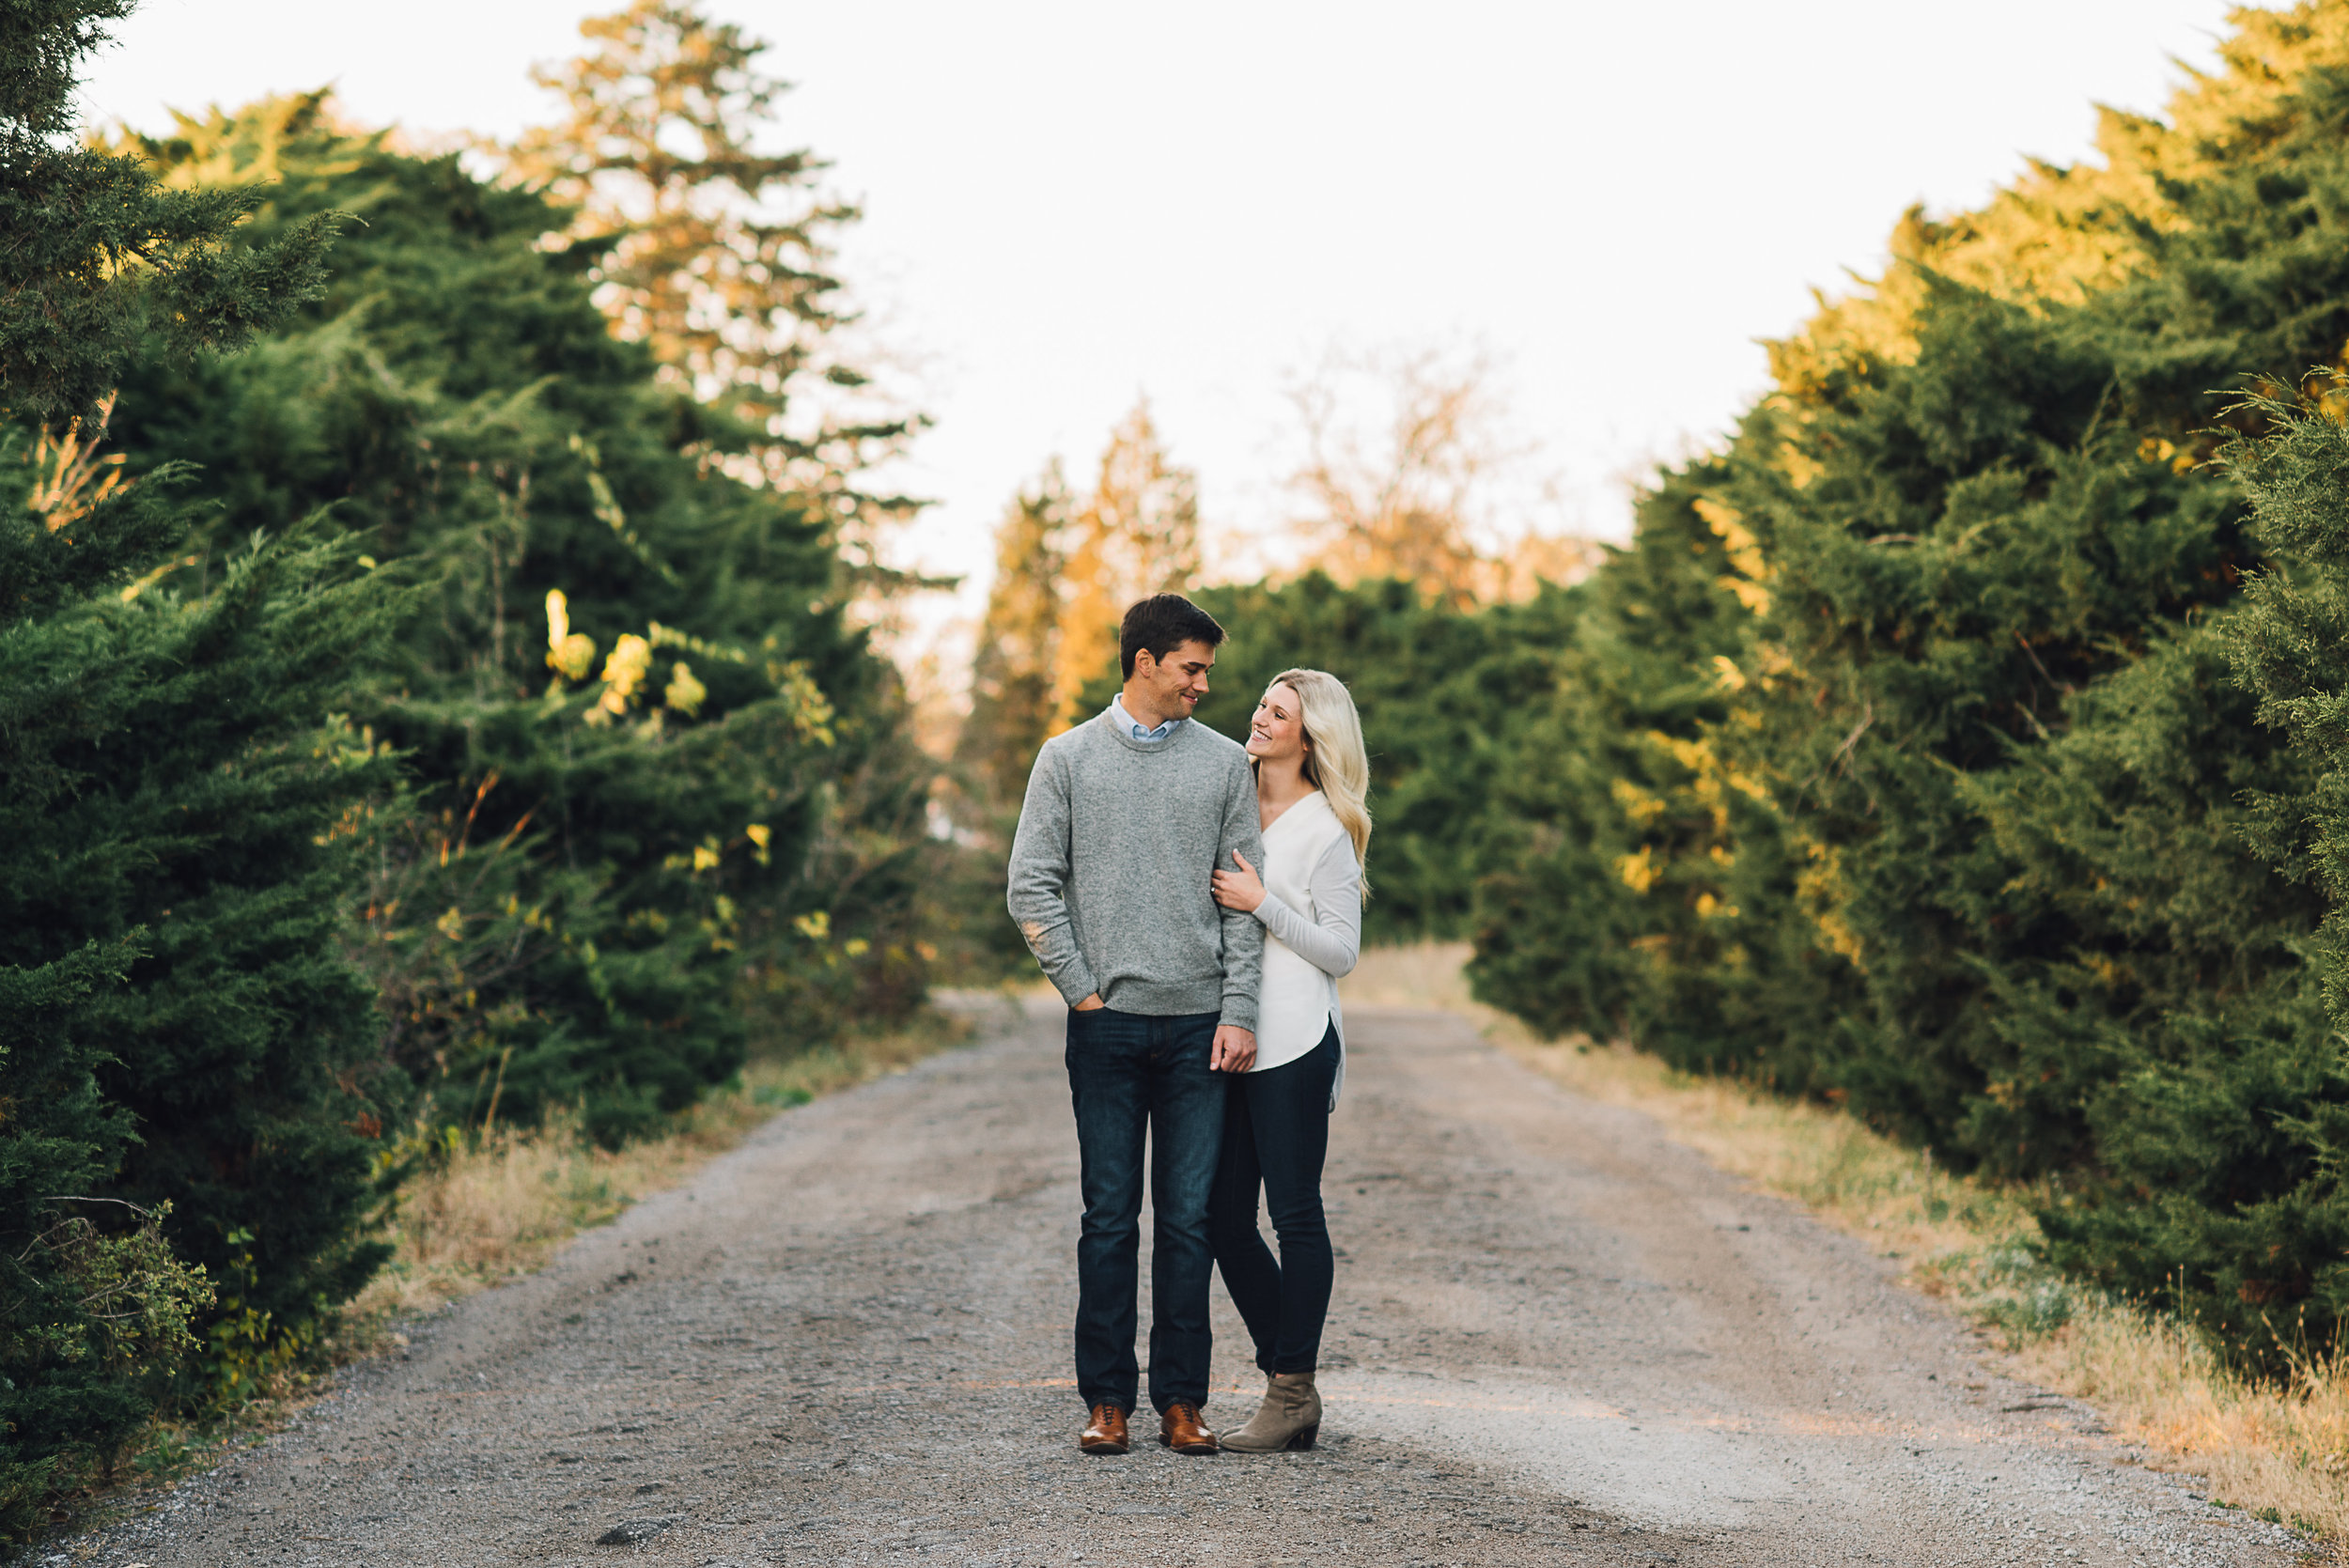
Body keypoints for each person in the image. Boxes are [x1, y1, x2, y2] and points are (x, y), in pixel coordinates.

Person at [1006, 594, 1266, 1457]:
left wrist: (1239, 1009)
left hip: (1200, 1029)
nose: (1203, 683)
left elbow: (1242, 903)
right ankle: (1107, 1398)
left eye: (1207, 671)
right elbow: (1030, 885)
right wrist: (1082, 990)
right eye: (1193, 667)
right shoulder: (1067, 758)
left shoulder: (1226, 765)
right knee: (1109, 1217)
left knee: (1188, 1220)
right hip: (1106, 1027)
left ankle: (1182, 1401)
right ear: (1145, 661)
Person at [1205, 668, 1370, 1453]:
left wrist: (1262, 902)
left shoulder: (1325, 828)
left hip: (1297, 1040)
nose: (1260, 717)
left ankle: (1290, 1388)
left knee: (1295, 1213)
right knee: (1222, 1219)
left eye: (1280, 712)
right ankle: (1289, 1377)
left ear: (1311, 736)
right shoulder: (1229, 798)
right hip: (1229, 1035)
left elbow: (1342, 950)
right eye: (1263, 705)